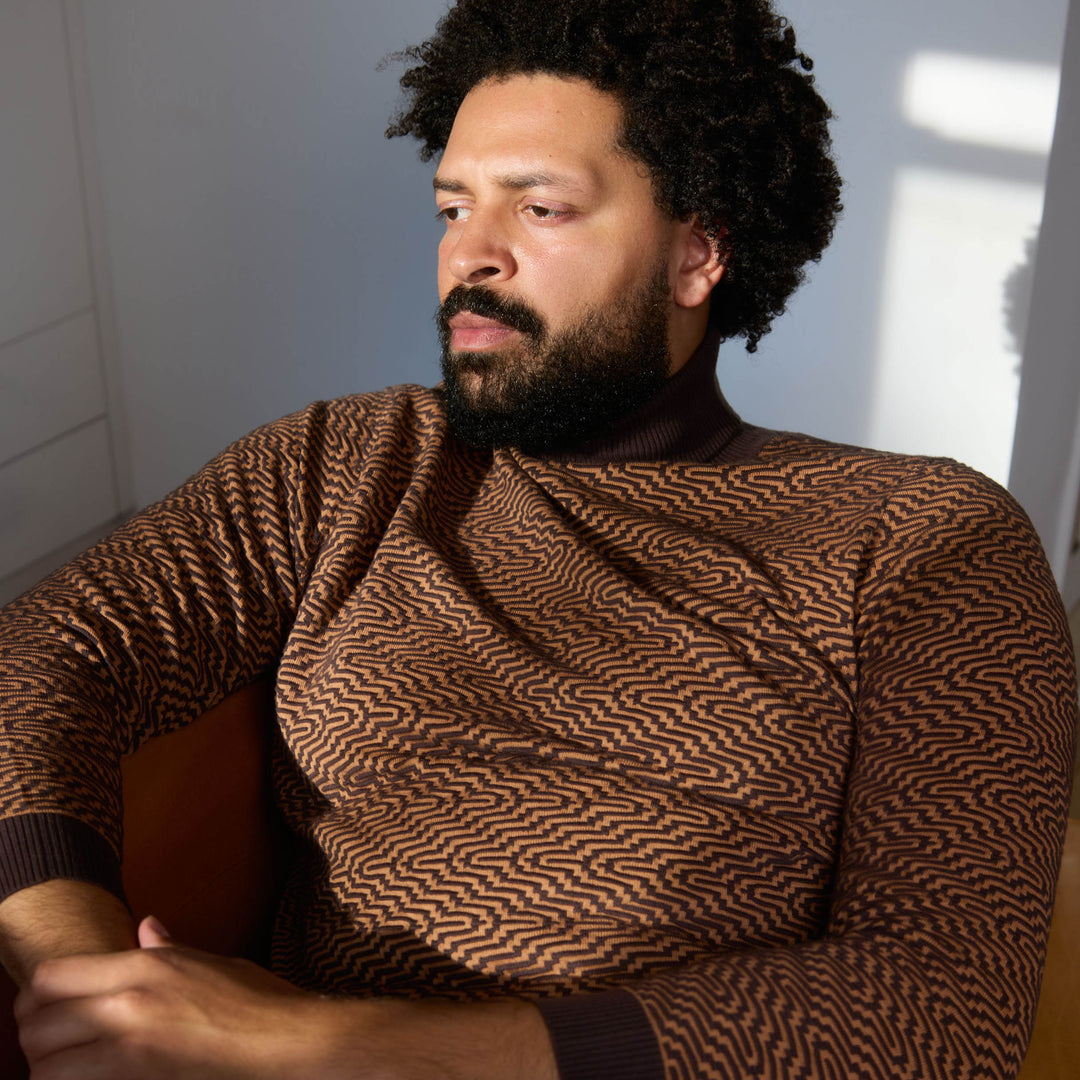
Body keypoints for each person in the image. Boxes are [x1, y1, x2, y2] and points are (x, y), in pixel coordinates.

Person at [0, 0, 1076, 1076]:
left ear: (699, 253)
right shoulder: (350, 463)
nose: (470, 255)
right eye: (454, 205)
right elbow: (47, 655)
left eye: (543, 209)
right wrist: (89, 987)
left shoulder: (928, 541)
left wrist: (330, 1045)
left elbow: (942, 1006)